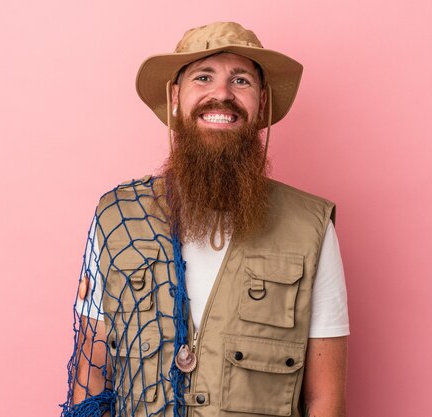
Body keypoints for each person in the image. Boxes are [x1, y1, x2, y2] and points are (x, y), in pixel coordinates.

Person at [61, 21, 349, 417]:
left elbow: (325, 399)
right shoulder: (116, 218)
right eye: (203, 76)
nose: (222, 94)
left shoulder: (312, 227)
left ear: (261, 103)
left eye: (241, 80)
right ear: (175, 97)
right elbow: (90, 375)